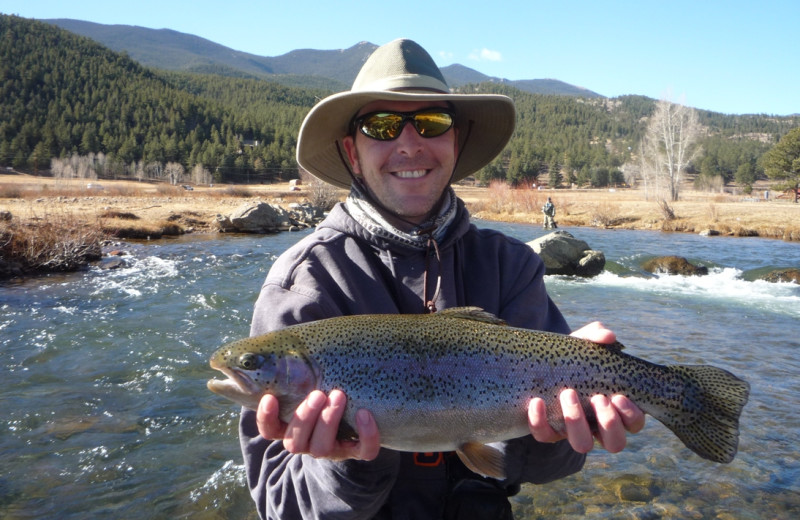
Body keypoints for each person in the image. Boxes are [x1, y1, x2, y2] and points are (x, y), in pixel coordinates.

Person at [240, 39, 644, 520]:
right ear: (352, 150)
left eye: (431, 123)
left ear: (455, 142)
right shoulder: (305, 281)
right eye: (382, 125)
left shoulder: (509, 265)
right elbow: (279, 504)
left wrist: (563, 435)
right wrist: (349, 463)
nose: (409, 144)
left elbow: (546, 464)